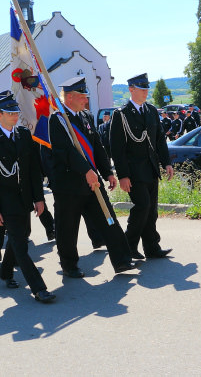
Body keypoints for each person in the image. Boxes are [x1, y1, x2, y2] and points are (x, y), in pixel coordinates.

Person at [48, 76, 141, 278]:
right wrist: (86, 171)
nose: (86, 100)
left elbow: (97, 147)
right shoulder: (57, 120)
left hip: (93, 184)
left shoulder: (86, 117)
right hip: (69, 185)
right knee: (67, 228)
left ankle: (122, 261)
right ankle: (69, 265)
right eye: (82, 96)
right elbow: (64, 151)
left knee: (109, 220)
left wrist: (107, 172)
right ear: (70, 97)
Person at [0, 92, 55, 303]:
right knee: (21, 245)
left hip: (25, 198)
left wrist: (39, 199)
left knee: (22, 234)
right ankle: (39, 288)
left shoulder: (23, 134)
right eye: (10, 112)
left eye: (16, 112)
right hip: (6, 201)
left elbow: (32, 170)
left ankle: (5, 272)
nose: (15, 116)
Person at [110, 73, 175, 260]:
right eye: (142, 88)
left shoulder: (151, 111)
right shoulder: (121, 115)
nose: (146, 92)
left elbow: (160, 140)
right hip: (133, 171)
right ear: (131, 89)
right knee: (142, 206)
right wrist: (122, 175)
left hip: (151, 168)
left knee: (151, 209)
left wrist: (167, 163)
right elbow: (117, 148)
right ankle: (128, 246)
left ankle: (152, 247)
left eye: (147, 88)